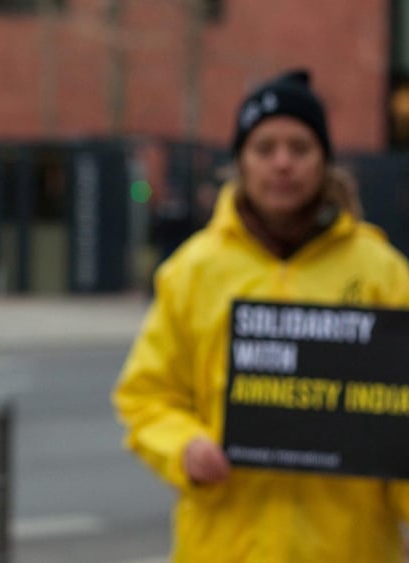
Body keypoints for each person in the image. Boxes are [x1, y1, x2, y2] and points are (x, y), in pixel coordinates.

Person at [112, 69, 409, 561]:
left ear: (325, 161)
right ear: (240, 163)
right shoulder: (193, 271)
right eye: (265, 148)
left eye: (300, 147)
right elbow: (146, 397)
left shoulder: (383, 273)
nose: (283, 163)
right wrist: (185, 448)